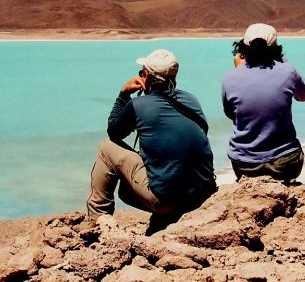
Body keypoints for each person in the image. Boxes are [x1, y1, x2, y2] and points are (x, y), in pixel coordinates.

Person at [87, 49, 216, 233]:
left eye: (142, 72)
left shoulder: (139, 105)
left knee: (106, 148)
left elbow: (114, 132)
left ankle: (97, 220)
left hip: (166, 202)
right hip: (201, 195)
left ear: (146, 76)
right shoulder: (192, 100)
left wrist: (123, 94)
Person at [221, 23, 305, 181]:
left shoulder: (229, 78)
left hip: (244, 165)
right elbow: (304, 95)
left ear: (242, 48)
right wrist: (283, 61)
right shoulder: (288, 71)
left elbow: (231, 114)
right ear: (276, 48)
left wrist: (238, 70)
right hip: (285, 164)